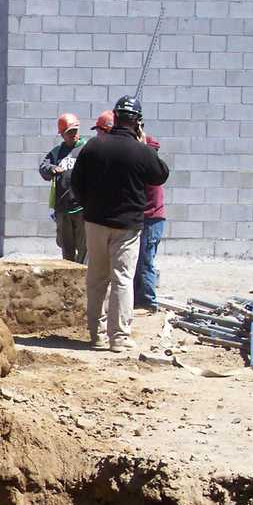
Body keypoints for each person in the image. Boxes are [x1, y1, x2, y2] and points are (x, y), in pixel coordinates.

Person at [72, 96, 169, 353]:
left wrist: (90, 206)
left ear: (114, 117)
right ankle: (119, 338)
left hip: (95, 223)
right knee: (122, 279)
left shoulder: (93, 147)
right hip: (127, 226)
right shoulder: (141, 150)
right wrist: (144, 143)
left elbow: (76, 184)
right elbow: (161, 174)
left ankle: (97, 335)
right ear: (137, 122)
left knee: (96, 278)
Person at [39, 113, 88, 263]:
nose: (73, 135)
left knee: (84, 248)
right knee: (67, 248)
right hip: (63, 208)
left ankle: (82, 280)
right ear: (62, 134)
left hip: (82, 208)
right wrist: (51, 168)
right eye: (69, 132)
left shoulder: (86, 149)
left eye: (75, 131)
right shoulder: (57, 152)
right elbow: (43, 167)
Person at [134, 137, 166, 313]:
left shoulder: (149, 173)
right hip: (154, 220)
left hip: (150, 220)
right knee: (141, 260)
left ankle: (148, 301)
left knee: (145, 261)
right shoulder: (155, 169)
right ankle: (140, 298)